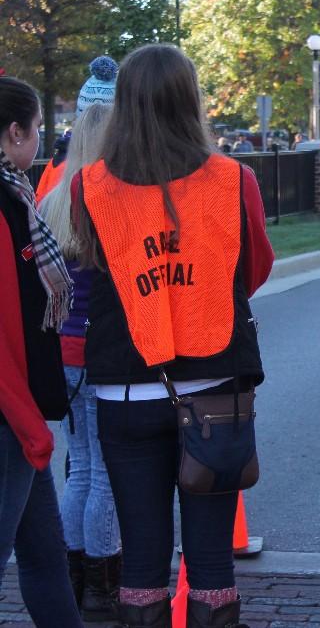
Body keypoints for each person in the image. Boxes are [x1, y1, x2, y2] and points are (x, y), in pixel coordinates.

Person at [72, 44, 274, 628]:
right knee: (212, 559)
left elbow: (93, 270)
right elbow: (254, 268)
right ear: (191, 101)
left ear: (124, 106)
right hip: (214, 386)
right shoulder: (232, 180)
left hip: (125, 389)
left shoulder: (90, 187)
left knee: (141, 553)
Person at [0, 75, 84, 627]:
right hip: (9, 415)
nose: (38, 143)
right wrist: (29, 421)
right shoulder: (7, 207)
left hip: (17, 414)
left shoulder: (18, 202)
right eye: (35, 130)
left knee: (44, 555)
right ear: (14, 132)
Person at [38, 103, 123, 621]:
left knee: (81, 469)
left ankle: (73, 577)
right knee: (107, 474)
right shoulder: (107, 200)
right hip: (104, 351)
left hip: (65, 349)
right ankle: (102, 584)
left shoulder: (51, 201)